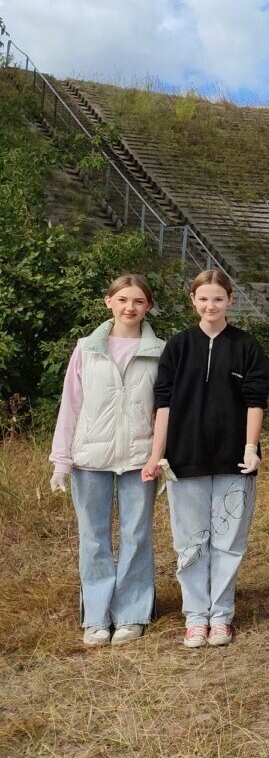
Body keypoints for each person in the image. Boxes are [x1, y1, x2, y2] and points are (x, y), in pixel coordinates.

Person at [143, 270, 269, 649]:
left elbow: (256, 400)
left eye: (218, 298)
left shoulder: (247, 346)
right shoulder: (179, 346)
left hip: (234, 461)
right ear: (193, 300)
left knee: (229, 542)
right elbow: (163, 402)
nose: (210, 305)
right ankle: (196, 616)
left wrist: (250, 447)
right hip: (186, 459)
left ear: (230, 300)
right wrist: (157, 455)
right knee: (191, 541)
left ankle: (222, 616)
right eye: (203, 299)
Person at [50, 275, 164, 647]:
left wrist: (159, 457)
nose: (130, 307)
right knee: (94, 537)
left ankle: (131, 613)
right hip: (90, 459)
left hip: (138, 459)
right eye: (122, 300)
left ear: (148, 307)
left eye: (138, 301)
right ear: (108, 302)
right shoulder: (86, 349)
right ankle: (97, 617)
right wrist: (61, 461)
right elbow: (71, 406)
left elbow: (164, 410)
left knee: (136, 535)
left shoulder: (160, 351)